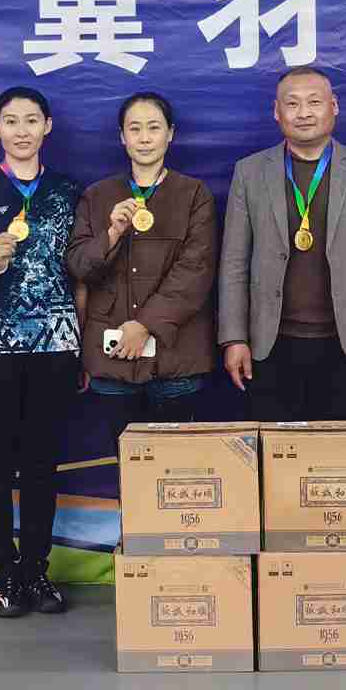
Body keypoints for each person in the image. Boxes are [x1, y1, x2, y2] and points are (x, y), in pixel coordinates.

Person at [0, 86, 89, 617]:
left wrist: (80, 341)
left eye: (31, 120)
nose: (21, 130)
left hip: (55, 346)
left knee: (42, 465)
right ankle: (2, 574)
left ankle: (36, 571)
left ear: (48, 126)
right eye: (10, 120)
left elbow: (82, 276)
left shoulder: (70, 191)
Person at [222, 64, 346, 432]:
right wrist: (234, 338)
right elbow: (234, 264)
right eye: (292, 104)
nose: (303, 113)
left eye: (314, 102)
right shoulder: (249, 172)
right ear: (277, 112)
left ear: (334, 106)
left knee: (342, 455)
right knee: (275, 454)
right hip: (269, 345)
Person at [69, 88, 220, 483]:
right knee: (128, 473)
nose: (145, 138)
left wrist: (145, 325)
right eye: (134, 129)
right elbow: (79, 266)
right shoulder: (97, 195)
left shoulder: (194, 194)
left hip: (176, 358)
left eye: (154, 127)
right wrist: (112, 233)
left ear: (170, 133)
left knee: (177, 474)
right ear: (122, 137)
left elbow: (196, 271)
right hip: (113, 361)